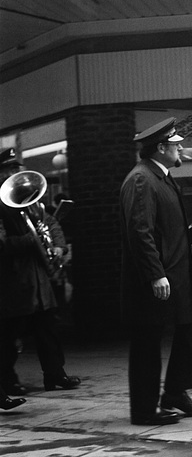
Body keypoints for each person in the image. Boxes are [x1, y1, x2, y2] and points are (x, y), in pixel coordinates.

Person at [120, 118, 192, 426]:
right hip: (159, 276)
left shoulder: (163, 177)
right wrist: (155, 273)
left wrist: (185, 229)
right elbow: (139, 231)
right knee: (147, 340)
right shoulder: (142, 179)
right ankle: (144, 410)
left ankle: (174, 393)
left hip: (179, 273)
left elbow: (160, 222)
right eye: (175, 144)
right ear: (160, 148)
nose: (180, 147)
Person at [0, 148, 81, 395]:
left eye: (17, 169)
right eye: (10, 169)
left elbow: (51, 223)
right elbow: (2, 243)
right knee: (9, 336)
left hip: (39, 280)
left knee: (49, 330)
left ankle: (55, 375)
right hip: (13, 281)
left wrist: (57, 245)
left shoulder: (30, 200)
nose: (16, 173)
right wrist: (31, 239)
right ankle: (7, 382)